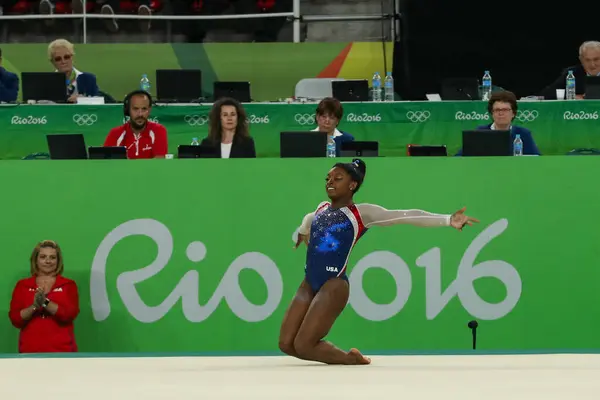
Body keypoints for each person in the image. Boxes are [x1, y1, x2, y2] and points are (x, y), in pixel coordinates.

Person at [279, 158, 479, 365]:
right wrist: (302, 233)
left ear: (352, 185)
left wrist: (447, 219)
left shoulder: (361, 213)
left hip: (334, 284)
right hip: (309, 282)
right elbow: (308, 219)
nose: (330, 182)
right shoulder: (321, 209)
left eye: (338, 178)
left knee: (304, 345)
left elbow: (405, 216)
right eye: (328, 178)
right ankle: (345, 359)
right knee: (286, 344)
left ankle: (352, 360)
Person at [8, 240, 80, 353]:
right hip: (30, 351)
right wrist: (34, 306)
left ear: (58, 260)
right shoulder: (22, 285)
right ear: (35, 260)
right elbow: (16, 319)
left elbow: (68, 315)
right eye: (43, 257)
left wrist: (45, 302)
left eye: (52, 257)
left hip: (63, 351)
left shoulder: (68, 285)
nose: (48, 261)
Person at [455, 90, 540, 156]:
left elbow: (537, 159)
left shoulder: (523, 134)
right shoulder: (481, 132)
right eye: (497, 110)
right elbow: (460, 157)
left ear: (513, 113)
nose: (501, 113)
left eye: (505, 110)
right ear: (492, 113)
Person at [104, 90, 168, 159]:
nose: (140, 114)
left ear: (149, 110)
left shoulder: (158, 130)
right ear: (128, 110)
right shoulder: (115, 133)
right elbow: (106, 161)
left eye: (144, 109)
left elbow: (159, 160)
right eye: (135, 109)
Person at [47, 38, 101, 103]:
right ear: (52, 62)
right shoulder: (48, 83)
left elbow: (99, 103)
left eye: (66, 57)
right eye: (58, 59)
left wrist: (83, 100)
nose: (63, 61)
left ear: (72, 58)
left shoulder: (89, 79)